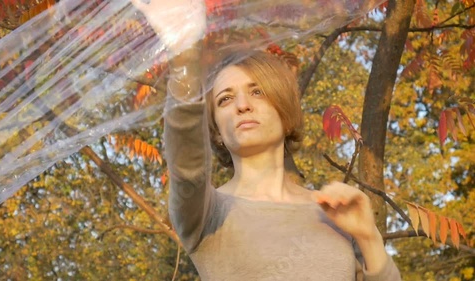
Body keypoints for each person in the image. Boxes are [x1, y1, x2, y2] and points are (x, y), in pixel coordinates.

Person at [131, 1, 402, 280]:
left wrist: (368, 236)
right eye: (225, 99)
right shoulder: (207, 212)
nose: (242, 105)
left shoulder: (336, 214)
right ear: (215, 132)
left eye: (257, 92)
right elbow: (187, 165)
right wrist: (184, 55)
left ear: (284, 113)